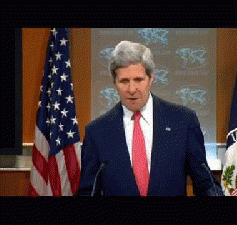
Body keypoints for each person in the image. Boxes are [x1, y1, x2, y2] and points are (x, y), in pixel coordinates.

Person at [77, 41, 223, 196]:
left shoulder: (183, 121)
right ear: (114, 83)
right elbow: (88, 191)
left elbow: (205, 182)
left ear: (151, 79)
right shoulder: (97, 132)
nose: (132, 89)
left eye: (138, 80)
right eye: (124, 81)